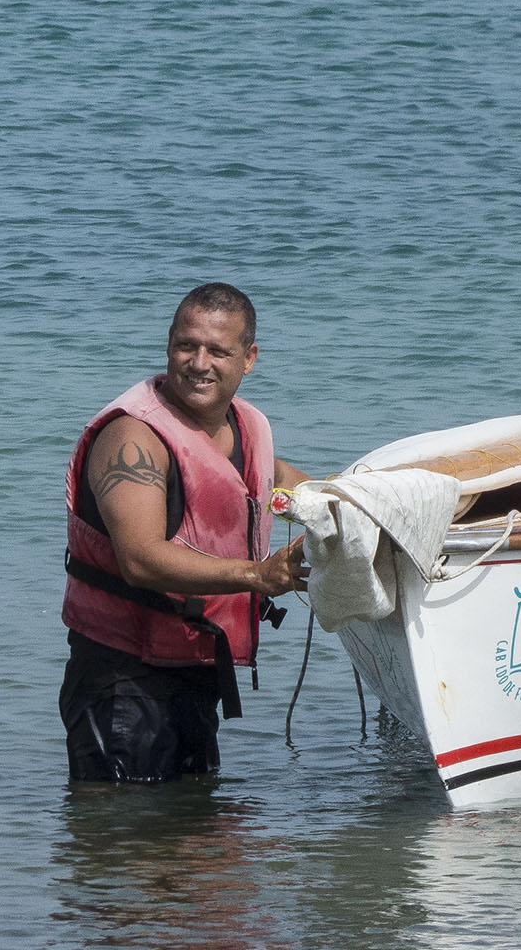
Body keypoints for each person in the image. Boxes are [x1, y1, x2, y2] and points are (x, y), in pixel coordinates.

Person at [59, 283, 311, 783]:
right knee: (123, 843)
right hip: (124, 682)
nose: (199, 362)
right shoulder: (132, 438)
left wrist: (360, 509)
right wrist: (258, 575)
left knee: (195, 844)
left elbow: (274, 481)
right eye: (186, 345)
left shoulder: (245, 426)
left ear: (249, 358)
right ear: (168, 343)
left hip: (196, 670)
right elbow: (140, 559)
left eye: (218, 350)